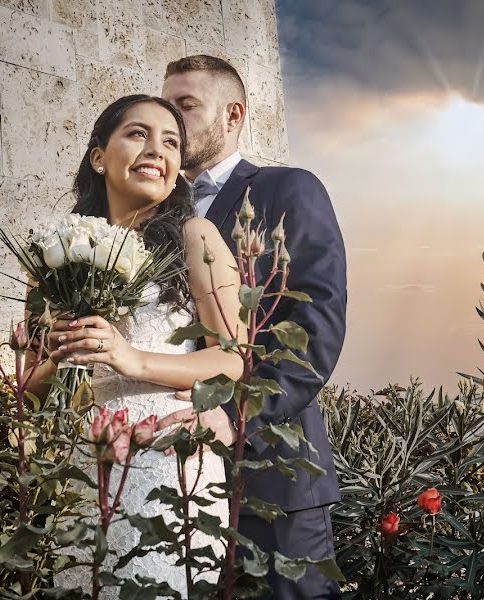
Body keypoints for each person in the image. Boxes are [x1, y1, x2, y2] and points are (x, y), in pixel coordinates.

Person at [23, 94, 243, 597]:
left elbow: (233, 358)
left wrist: (130, 357)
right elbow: (28, 391)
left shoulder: (196, 237)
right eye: (138, 134)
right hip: (80, 465)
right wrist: (58, 358)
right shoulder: (53, 255)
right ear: (99, 155)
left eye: (170, 142)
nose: (157, 150)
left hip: (168, 458)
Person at [159, 55, 347, 599]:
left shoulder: (287, 191)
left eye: (186, 105)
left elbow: (315, 322)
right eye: (165, 104)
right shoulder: (152, 216)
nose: (171, 119)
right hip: (169, 480)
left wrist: (234, 414)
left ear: (233, 113)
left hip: (272, 471)